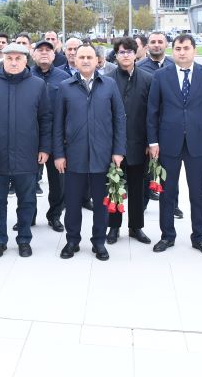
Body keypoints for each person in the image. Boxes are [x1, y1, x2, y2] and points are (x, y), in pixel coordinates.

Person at [0, 43, 51, 257]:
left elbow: (45, 119)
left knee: (27, 201)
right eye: (9, 58)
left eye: (18, 59)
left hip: (27, 154)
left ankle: (24, 239)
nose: (14, 63)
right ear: (3, 60)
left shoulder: (37, 85)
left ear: (26, 61)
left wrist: (45, 147)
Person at [146, 34, 202, 256]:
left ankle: (199, 236)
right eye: (178, 48)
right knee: (167, 192)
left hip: (198, 143)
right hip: (168, 143)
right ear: (173, 50)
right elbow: (152, 112)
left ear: (194, 50)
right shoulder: (161, 76)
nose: (182, 52)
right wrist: (153, 141)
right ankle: (167, 235)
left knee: (198, 193)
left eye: (186, 48)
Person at [53, 44, 126, 261]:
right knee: (73, 202)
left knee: (101, 204)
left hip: (103, 156)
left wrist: (118, 151)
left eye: (89, 57)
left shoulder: (109, 85)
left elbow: (119, 120)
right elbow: (58, 124)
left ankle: (99, 242)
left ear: (97, 61)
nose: (85, 60)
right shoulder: (65, 87)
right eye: (81, 57)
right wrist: (59, 154)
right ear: (74, 60)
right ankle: (72, 240)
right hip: (73, 156)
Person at [106, 37, 153, 246]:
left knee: (137, 188)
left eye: (129, 51)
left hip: (139, 143)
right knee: (114, 185)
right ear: (116, 55)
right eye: (121, 52)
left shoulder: (148, 79)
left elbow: (152, 114)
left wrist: (151, 142)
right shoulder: (107, 80)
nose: (125, 55)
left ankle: (136, 227)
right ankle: (114, 226)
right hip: (114, 144)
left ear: (136, 54)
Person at [30, 39, 71, 231]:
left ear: (55, 55)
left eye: (48, 50)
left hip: (57, 138)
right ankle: (28, 216)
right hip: (31, 137)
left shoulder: (64, 78)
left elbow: (70, 108)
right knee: (28, 181)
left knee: (58, 183)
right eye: (40, 50)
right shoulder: (25, 75)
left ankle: (54, 215)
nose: (44, 52)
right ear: (33, 54)